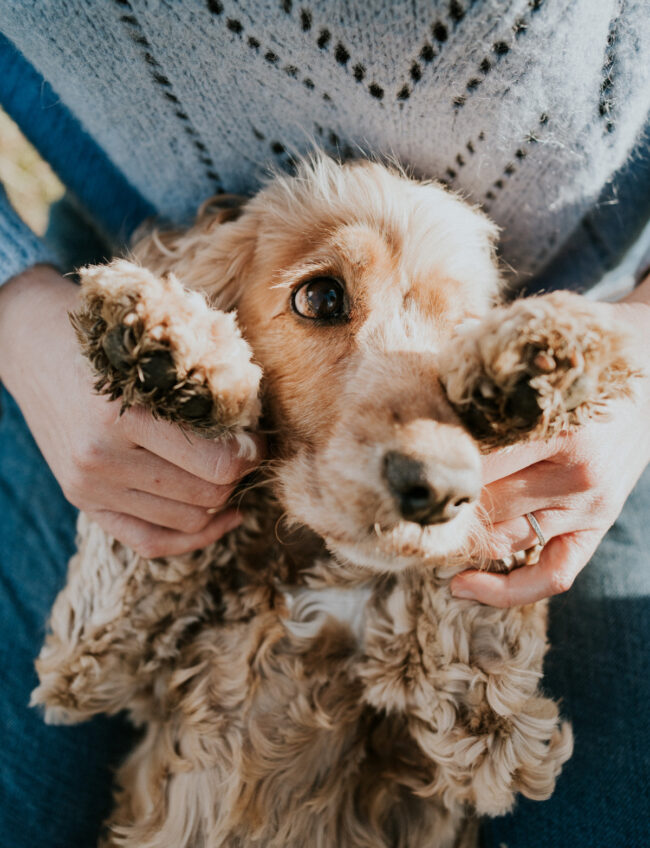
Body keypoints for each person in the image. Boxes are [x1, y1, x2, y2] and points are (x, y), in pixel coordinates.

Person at [1, 3, 648, 846]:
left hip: (568, 347)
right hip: (95, 302)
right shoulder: (191, 307)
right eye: (323, 298)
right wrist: (13, 303)